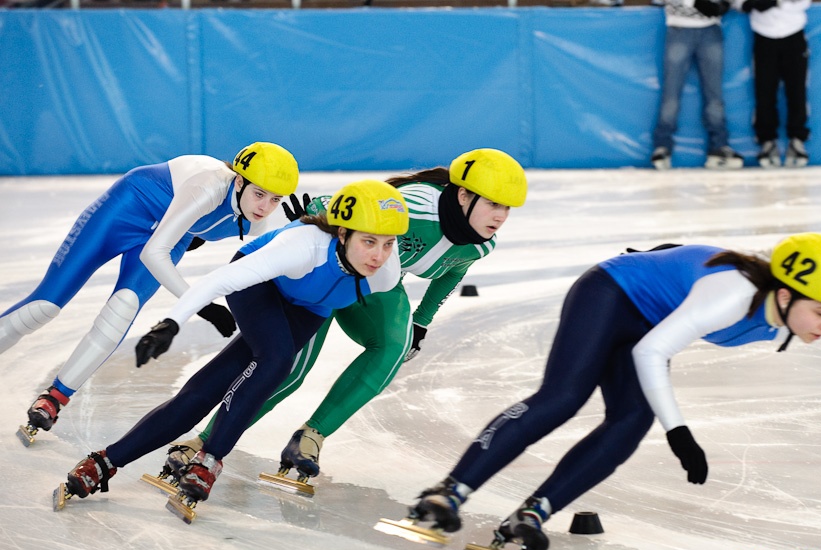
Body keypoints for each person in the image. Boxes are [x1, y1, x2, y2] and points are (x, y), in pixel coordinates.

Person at [409, 233, 821, 550]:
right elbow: (651, 352)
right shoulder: (733, 296)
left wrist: (664, 262)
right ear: (784, 294)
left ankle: (530, 516)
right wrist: (680, 433)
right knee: (564, 396)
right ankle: (448, 492)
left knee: (628, 425)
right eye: (820, 312)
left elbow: (680, 269)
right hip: (608, 294)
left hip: (646, 318)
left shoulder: (774, 310)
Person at [163, 148, 527, 483]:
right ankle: (202, 442)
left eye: (508, 208)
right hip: (332, 274)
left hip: (376, 283)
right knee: (289, 370)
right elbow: (346, 203)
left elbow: (454, 270)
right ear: (463, 195)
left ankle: (311, 436)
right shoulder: (414, 207)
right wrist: (313, 220)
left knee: (393, 349)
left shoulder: (482, 242)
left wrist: (422, 321)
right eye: (494, 203)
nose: (501, 216)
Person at [59, 179, 408, 506]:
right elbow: (221, 280)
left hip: (310, 307)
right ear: (343, 234)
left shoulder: (386, 271)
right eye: (369, 241)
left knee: (208, 390)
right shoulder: (303, 247)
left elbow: (364, 291)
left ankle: (105, 461)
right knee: (277, 359)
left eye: (388, 243)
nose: (378, 255)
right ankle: (210, 459)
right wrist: (171, 323)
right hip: (259, 287)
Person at [2, 142, 299, 442]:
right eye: (259, 194)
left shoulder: (255, 224)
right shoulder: (208, 186)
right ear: (238, 181)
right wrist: (203, 306)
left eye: (275, 199)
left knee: (123, 308)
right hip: (126, 208)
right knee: (45, 306)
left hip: (172, 233)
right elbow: (154, 253)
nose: (264, 207)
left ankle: (55, 398)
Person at [651, 0, 744, 170]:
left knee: (714, 93)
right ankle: (662, 145)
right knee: (672, 91)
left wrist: (726, 5)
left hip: (710, 29)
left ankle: (719, 146)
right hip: (680, 28)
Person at [741, 0, 812, 168]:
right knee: (764, 90)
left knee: (797, 90)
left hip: (793, 33)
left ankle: (796, 140)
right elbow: (741, 4)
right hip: (763, 35)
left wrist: (777, 2)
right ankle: (767, 141)